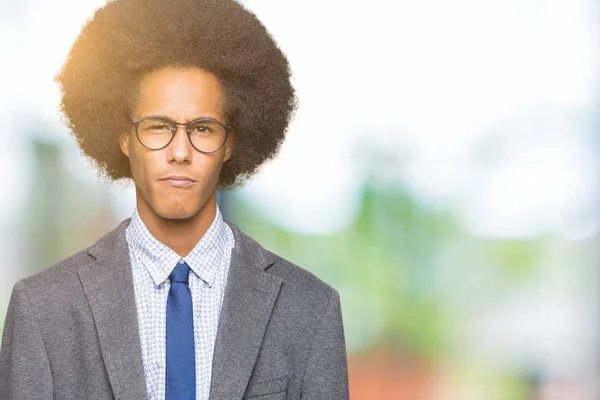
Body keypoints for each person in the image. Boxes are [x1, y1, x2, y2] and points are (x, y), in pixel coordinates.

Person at [0, 0, 349, 398]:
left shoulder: (307, 311)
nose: (180, 151)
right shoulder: (44, 310)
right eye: (157, 126)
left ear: (230, 142)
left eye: (202, 128)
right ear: (123, 138)